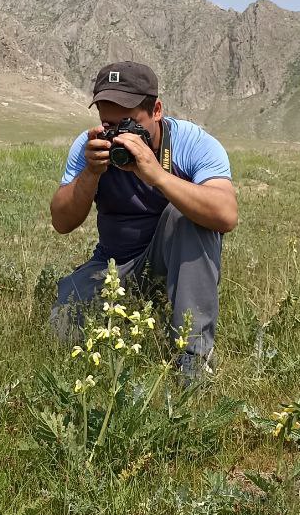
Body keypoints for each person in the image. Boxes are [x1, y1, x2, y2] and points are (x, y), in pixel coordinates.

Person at [49, 61, 237, 377]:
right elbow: (62, 222)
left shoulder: (193, 143)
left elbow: (226, 214)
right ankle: (134, 306)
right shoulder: (90, 147)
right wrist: (90, 173)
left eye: (128, 124)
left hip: (170, 261)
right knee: (63, 327)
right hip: (114, 265)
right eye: (108, 124)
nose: (118, 136)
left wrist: (157, 175)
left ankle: (193, 357)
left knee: (186, 213)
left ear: (157, 110)